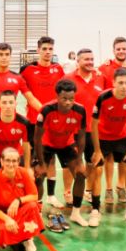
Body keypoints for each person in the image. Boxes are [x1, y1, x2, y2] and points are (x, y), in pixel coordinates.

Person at [90, 67, 126, 227]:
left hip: (122, 139)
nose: (124, 86)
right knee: (97, 170)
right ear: (113, 83)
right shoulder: (103, 97)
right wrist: (97, 150)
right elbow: (94, 124)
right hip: (103, 139)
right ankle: (95, 210)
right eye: (120, 83)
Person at [20, 36, 68, 208]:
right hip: (35, 122)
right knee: (36, 161)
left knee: (52, 159)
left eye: (50, 49)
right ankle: (35, 196)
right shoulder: (27, 70)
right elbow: (14, 82)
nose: (48, 52)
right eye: (45, 49)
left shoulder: (58, 69)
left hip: (54, 122)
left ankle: (51, 196)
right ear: (38, 50)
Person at [34, 79, 88, 231]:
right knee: (39, 176)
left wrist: (79, 160)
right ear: (57, 96)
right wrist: (41, 163)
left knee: (81, 174)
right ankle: (37, 212)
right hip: (46, 144)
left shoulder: (80, 110)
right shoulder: (46, 110)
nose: (68, 102)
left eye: (71, 99)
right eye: (64, 98)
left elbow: (81, 137)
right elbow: (37, 138)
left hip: (66, 144)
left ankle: (76, 213)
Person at [98, 37, 126, 205]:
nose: (121, 51)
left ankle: (120, 186)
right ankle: (109, 189)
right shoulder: (104, 68)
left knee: (125, 157)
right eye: (118, 49)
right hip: (108, 123)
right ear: (113, 50)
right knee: (108, 157)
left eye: (124, 48)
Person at [0, 90, 31, 225]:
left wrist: (27, 167)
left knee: (26, 181)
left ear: (15, 103)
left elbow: (26, 145)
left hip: (15, 159)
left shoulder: (24, 122)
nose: (8, 106)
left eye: (10, 102)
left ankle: (21, 209)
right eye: (4, 102)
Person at [65, 49, 106, 204]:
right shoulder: (68, 79)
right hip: (72, 130)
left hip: (93, 131)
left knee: (91, 163)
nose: (90, 62)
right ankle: (68, 192)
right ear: (78, 61)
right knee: (70, 163)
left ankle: (88, 190)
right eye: (86, 59)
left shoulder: (100, 78)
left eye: (92, 59)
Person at [0, 147, 44, 251]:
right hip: (5, 214)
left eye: (14, 161)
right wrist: (8, 219)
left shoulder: (23, 173)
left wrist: (18, 200)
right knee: (9, 235)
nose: (11, 164)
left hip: (22, 211)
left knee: (32, 205)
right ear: (1, 162)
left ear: (18, 162)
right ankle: (17, 237)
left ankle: (28, 238)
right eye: (7, 160)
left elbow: (34, 196)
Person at [0, 42, 41, 119]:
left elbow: (31, 99)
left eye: (7, 54)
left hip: (11, 123)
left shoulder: (18, 78)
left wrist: (46, 112)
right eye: (1, 54)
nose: (4, 57)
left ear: (10, 57)